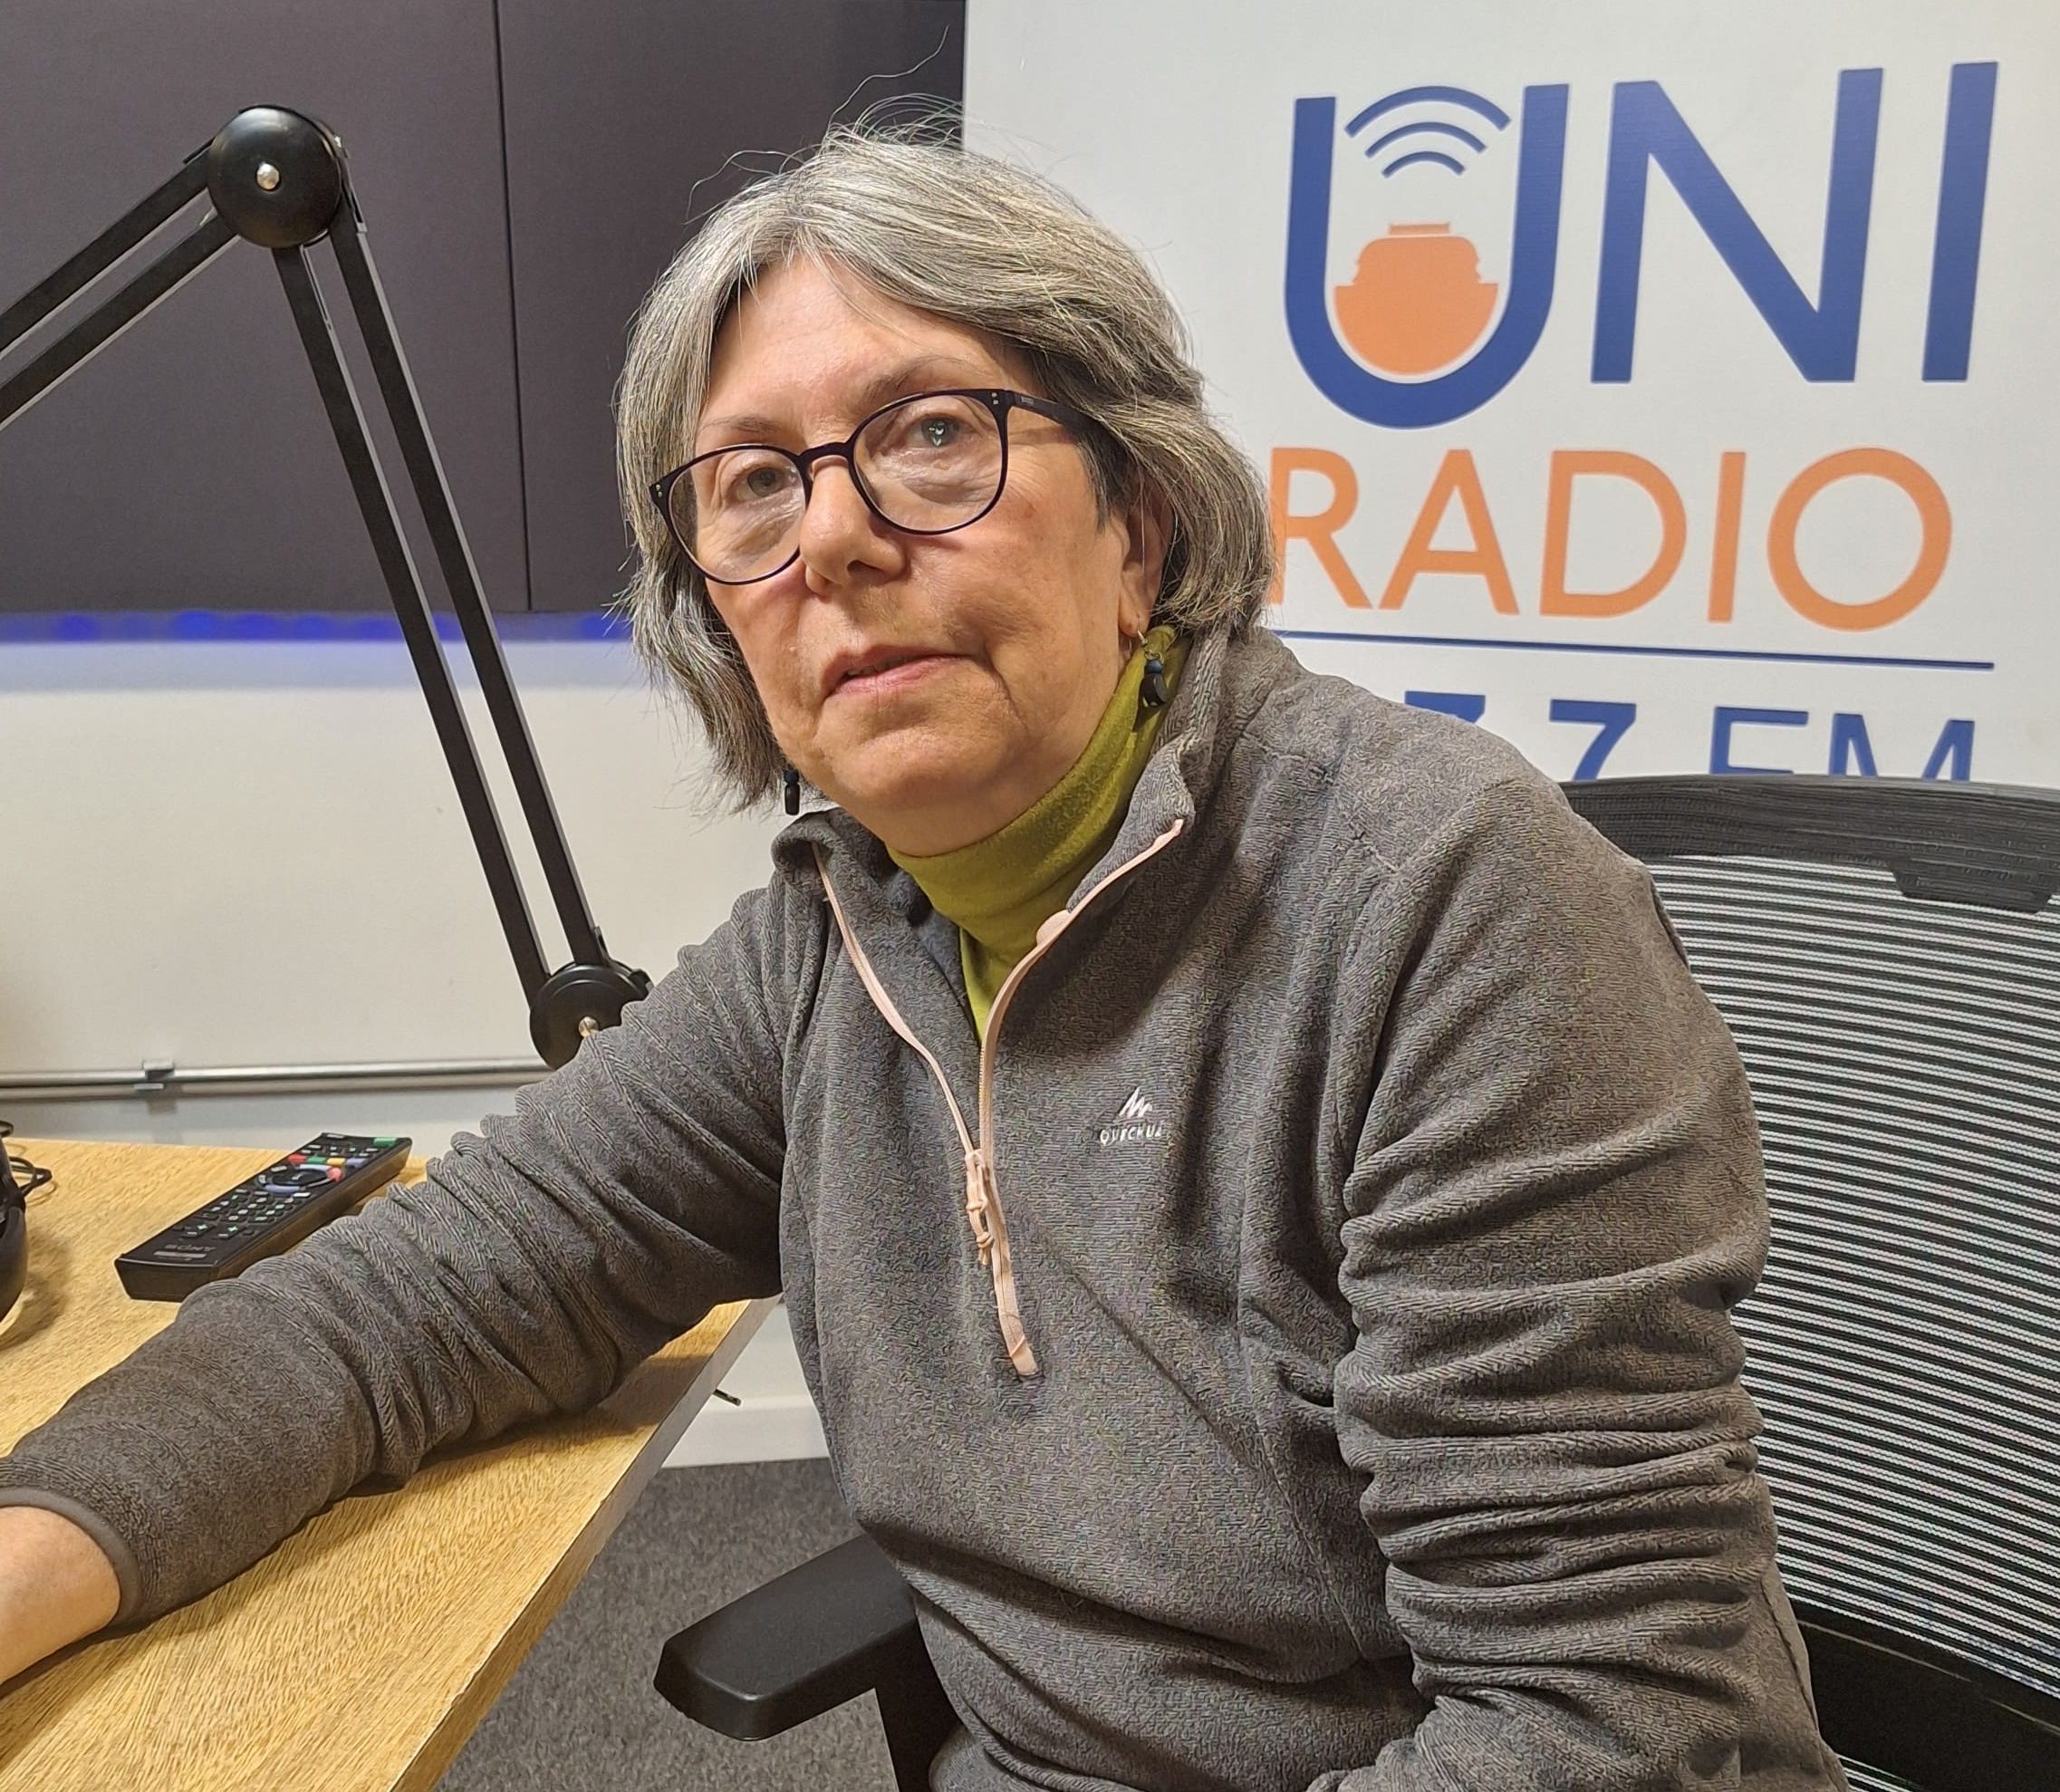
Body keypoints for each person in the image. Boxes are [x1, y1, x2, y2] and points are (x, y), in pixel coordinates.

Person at [0, 123, 1847, 1790]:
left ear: (1143, 525)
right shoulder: (834, 943)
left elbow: (1608, 1727)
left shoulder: (1447, 906)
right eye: (751, 485)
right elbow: (411, 1298)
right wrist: (41, 1544)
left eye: (930, 437)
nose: (833, 538)